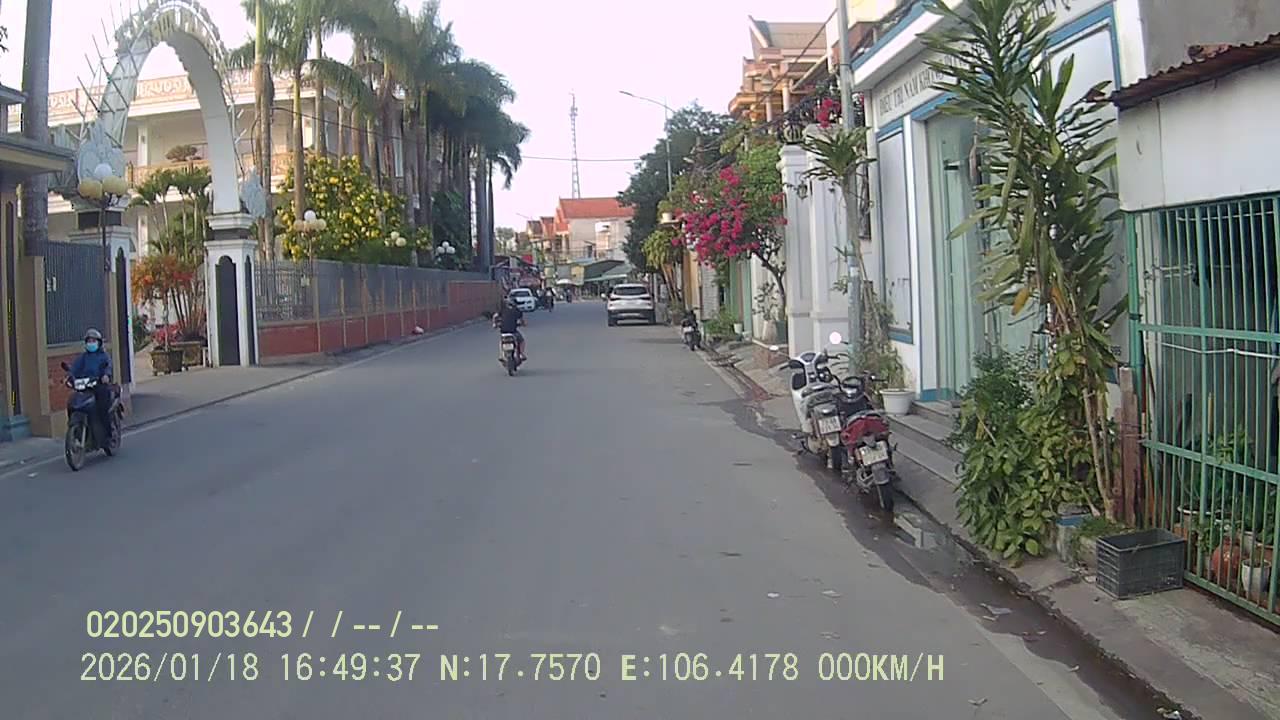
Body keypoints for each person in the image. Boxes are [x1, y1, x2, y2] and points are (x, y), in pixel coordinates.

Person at [68, 328, 114, 436]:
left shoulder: (104, 356)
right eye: (89, 341)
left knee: (102, 407)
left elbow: (108, 367)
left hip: (99, 386)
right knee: (73, 401)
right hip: (85, 386)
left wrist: (106, 375)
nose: (91, 343)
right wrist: (69, 376)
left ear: (99, 343)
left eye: (93, 341)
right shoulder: (83, 357)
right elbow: (74, 369)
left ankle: (107, 433)